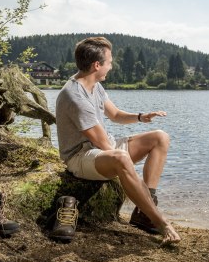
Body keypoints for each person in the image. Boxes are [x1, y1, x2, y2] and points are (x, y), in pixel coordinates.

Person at [55, 36, 181, 245]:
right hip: (80, 157)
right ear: (97, 65)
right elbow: (104, 145)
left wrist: (140, 117)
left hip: (103, 148)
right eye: (109, 62)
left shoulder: (94, 85)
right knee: (122, 158)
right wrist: (134, 180)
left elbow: (114, 115)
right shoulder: (75, 97)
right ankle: (160, 222)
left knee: (160, 137)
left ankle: (143, 211)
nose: (111, 67)